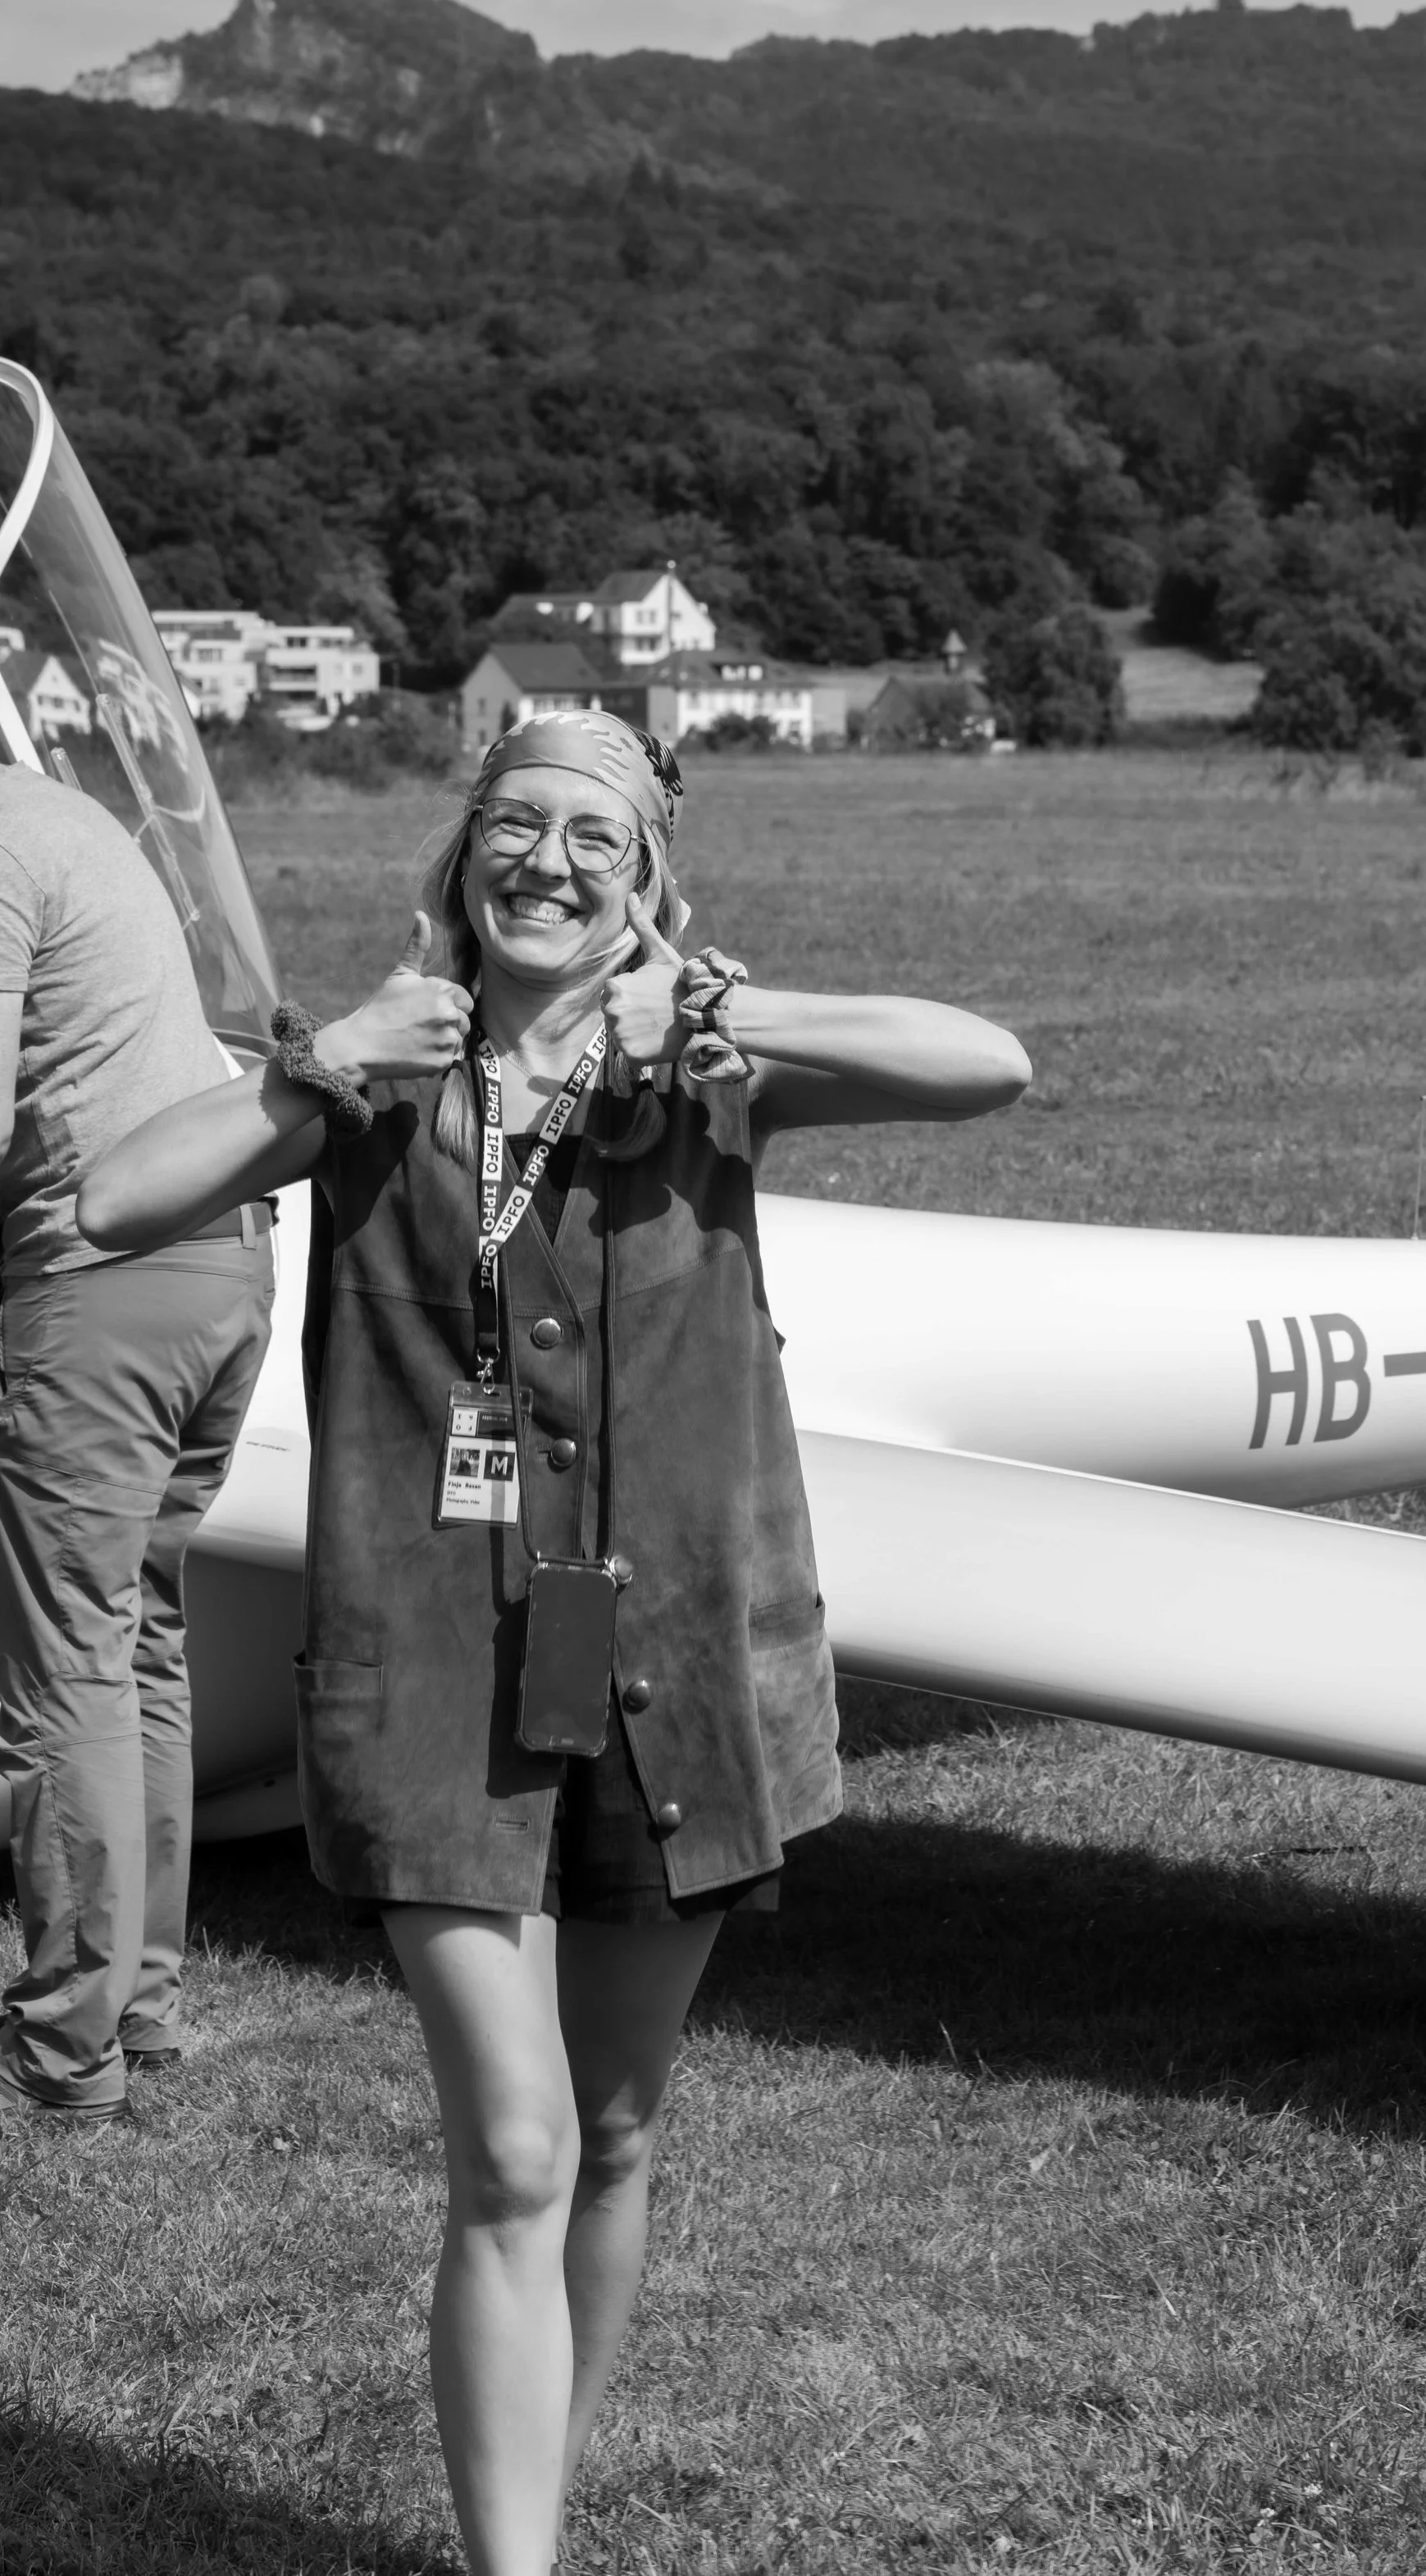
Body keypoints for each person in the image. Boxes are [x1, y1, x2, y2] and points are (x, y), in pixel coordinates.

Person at [79, 709, 1029, 2576]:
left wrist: (735, 1019)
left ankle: (542, 2499)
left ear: (648, 880)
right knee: (509, 2146)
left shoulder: (706, 1072)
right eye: (513, 827)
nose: (548, 864)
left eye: (594, 838)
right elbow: (115, 1195)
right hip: (427, 1677)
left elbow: (985, 1063)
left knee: (609, 2136)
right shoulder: (374, 1081)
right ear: (457, 858)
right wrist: (317, 1059)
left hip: (673, 1658)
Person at [0, 763, 274, 2120]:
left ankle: (65, 2052)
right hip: (225, 1265)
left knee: (62, 1663)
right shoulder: (66, 814)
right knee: (136, 1640)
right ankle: (141, 2006)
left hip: (98, 1281)